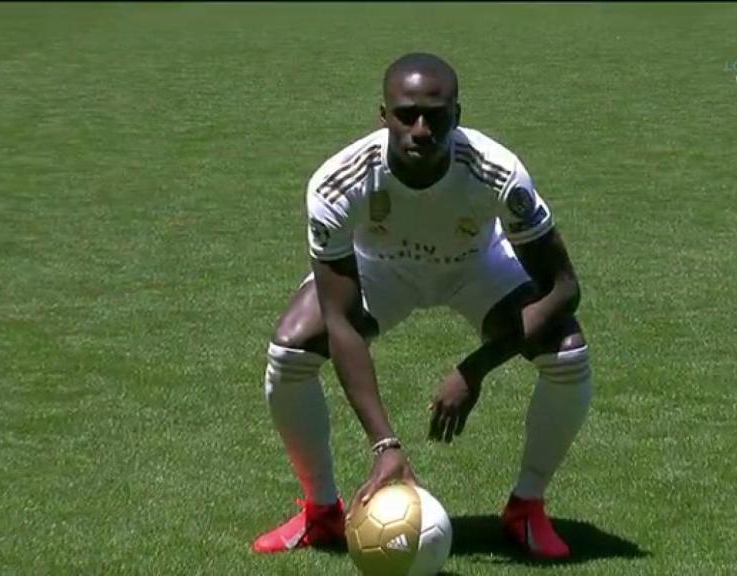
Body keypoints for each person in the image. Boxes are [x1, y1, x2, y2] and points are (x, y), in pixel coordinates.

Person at [252, 52, 592, 560]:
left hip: (476, 268)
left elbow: (563, 287)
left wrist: (473, 369)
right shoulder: (338, 182)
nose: (420, 128)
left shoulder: (497, 170)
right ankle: (321, 511)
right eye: (406, 113)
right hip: (381, 270)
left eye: (435, 115)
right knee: (289, 352)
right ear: (382, 114)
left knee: (567, 354)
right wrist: (386, 445)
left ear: (458, 113)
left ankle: (526, 507)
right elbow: (342, 320)